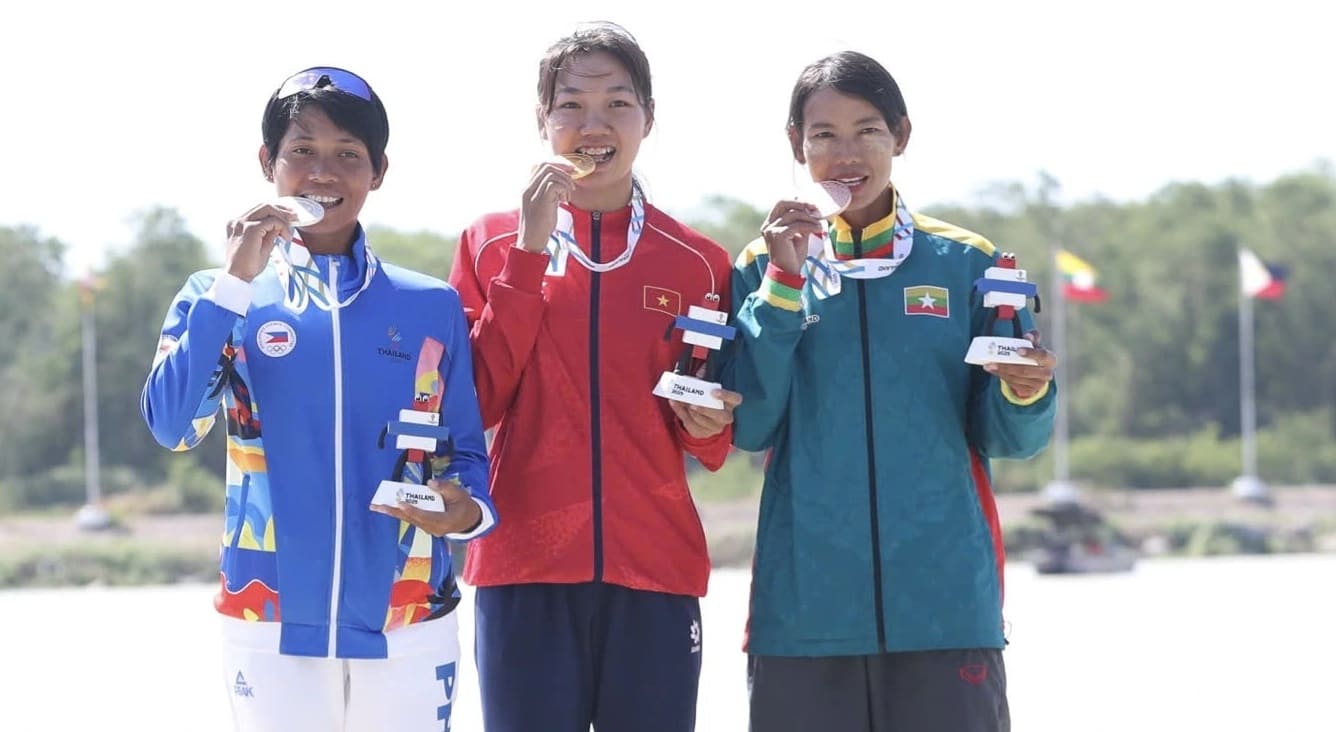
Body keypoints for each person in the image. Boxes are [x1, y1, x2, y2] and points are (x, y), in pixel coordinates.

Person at [140, 66, 496, 732]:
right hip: (267, 616)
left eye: (347, 155)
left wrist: (468, 510)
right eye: (302, 151)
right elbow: (171, 426)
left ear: (379, 170)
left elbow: (466, 454)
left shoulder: (431, 306)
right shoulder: (215, 296)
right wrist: (235, 283)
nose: (323, 173)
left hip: (409, 617)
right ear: (267, 163)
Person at [723, 51, 1058, 732]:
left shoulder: (969, 262)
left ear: (901, 136)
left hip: (946, 607)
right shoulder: (761, 265)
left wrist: (1024, 393)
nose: (847, 155)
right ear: (796, 146)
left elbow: (1011, 439)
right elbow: (750, 426)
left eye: (867, 130)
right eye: (823, 135)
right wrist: (784, 289)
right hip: (805, 613)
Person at [446, 22, 739, 732]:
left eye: (617, 103)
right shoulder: (488, 244)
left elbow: (712, 445)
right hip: (523, 567)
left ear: (648, 118)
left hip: (656, 568)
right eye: (571, 105)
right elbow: (474, 403)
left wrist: (712, 423)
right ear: (542, 121)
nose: (593, 125)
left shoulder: (697, 261)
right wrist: (529, 251)